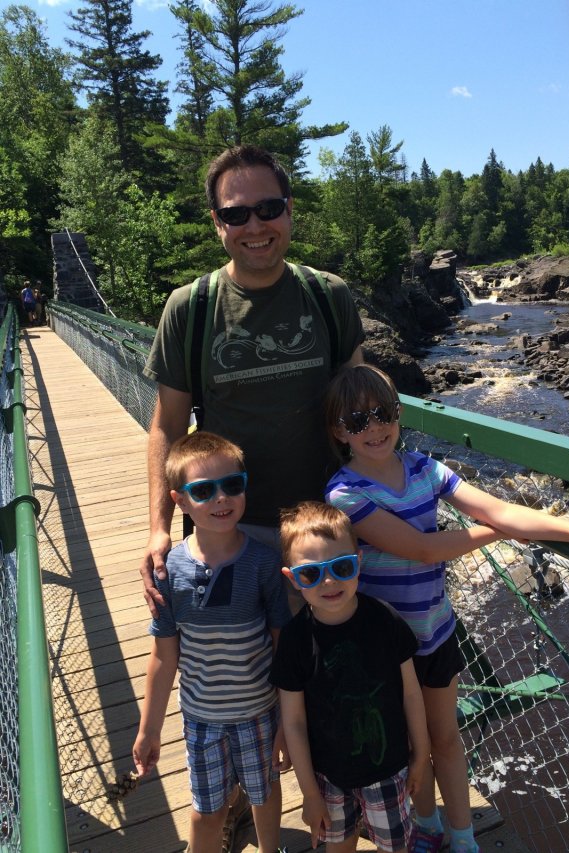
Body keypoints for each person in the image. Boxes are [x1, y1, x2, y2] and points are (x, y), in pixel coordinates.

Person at [324, 364, 569, 853]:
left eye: (383, 412)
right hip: (387, 650)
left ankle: (463, 836)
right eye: (358, 419)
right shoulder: (344, 495)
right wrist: (502, 529)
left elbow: (499, 508)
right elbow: (424, 549)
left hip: (437, 630)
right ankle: (425, 825)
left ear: (399, 412)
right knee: (412, 746)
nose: (374, 426)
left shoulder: (424, 468)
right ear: (339, 430)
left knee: (446, 739)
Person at [141, 144, 364, 617]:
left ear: (289, 209)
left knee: (327, 678)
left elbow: (359, 406)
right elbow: (167, 426)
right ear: (217, 223)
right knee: (241, 679)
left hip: (326, 527)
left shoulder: (329, 295)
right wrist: (159, 527)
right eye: (236, 214)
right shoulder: (190, 308)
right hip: (229, 532)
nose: (255, 226)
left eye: (268, 208)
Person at [132, 431, 292, 853]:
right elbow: (164, 659)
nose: (221, 498)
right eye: (203, 490)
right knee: (206, 811)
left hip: (260, 713)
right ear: (179, 500)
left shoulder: (263, 562)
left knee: (264, 795)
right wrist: (149, 731)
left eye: (232, 485)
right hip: (201, 719)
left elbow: (282, 643)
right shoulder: (169, 575)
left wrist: (288, 723)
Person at [270, 501, 429, 853]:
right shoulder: (296, 639)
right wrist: (309, 793)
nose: (328, 581)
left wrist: (421, 754)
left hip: (388, 771)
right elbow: (293, 721)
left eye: (341, 567)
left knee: (396, 846)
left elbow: (411, 694)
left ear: (358, 563)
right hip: (329, 778)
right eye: (311, 574)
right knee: (337, 846)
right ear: (292, 578)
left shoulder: (385, 620)